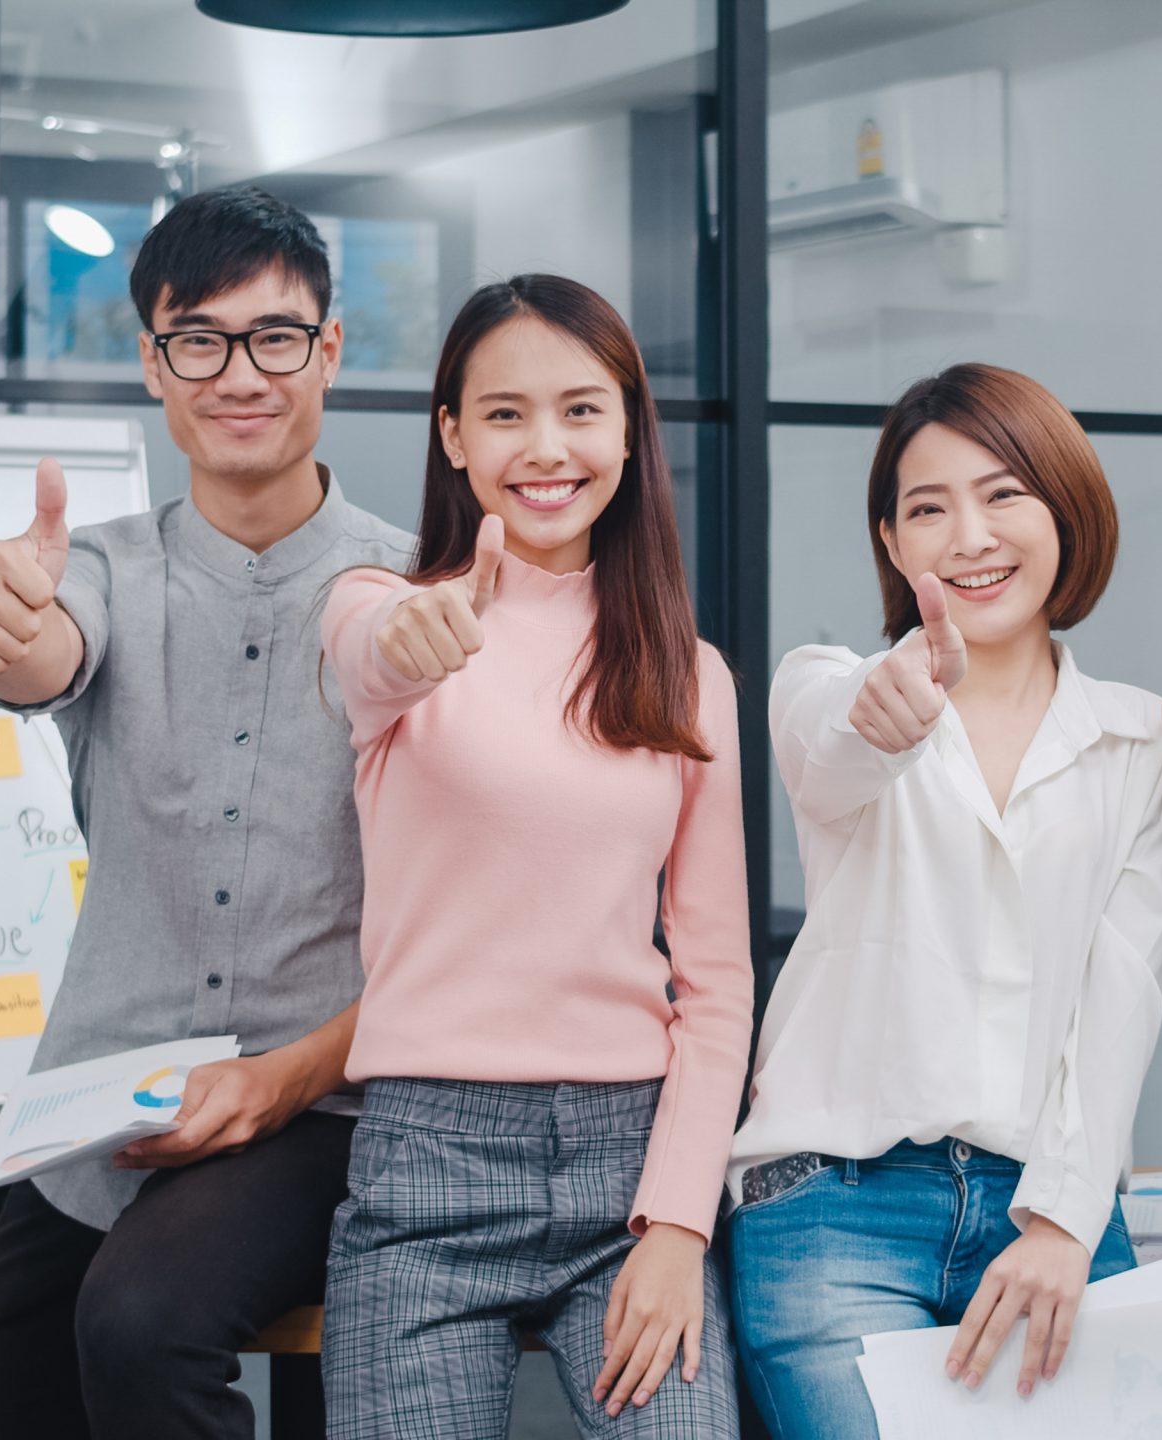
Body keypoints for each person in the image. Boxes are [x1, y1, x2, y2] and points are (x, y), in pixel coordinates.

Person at [0, 185, 412, 1439]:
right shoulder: (93, 565)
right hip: (101, 1103)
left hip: (323, 1101)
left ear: (330, 350)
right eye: (197, 339)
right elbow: (42, 653)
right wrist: (12, 631)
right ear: (154, 363)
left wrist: (282, 1082)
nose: (238, 372)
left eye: (274, 336)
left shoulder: (418, 589)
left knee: (144, 1326)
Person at [317, 274, 752, 1439]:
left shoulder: (687, 672)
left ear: (625, 432)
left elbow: (715, 985)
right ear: (452, 436)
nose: (545, 447)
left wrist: (676, 1229)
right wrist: (419, 637)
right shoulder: (377, 606)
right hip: (425, 1170)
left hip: (629, 1171)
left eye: (580, 409)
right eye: (503, 413)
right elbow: (373, 657)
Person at [726, 363, 1162, 1438]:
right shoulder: (824, 680)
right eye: (928, 509)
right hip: (834, 1211)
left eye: (1003, 494)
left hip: (1052, 1208)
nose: (970, 536)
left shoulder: (1138, 739)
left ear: (1064, 508)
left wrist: (1067, 1224)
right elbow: (835, 751)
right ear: (893, 545)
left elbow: (1122, 999)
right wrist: (884, 709)